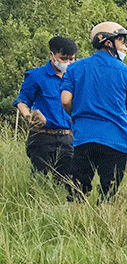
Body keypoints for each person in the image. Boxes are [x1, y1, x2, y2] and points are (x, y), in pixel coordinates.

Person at [61, 22, 127, 202]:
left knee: (77, 191)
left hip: (84, 137)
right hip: (117, 140)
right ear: (108, 42)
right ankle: (103, 225)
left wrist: (77, 113)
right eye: (122, 41)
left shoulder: (75, 67)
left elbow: (65, 100)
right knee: (108, 195)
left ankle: (74, 225)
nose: (125, 47)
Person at [12, 36, 78, 187]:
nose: (67, 63)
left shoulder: (74, 77)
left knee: (66, 182)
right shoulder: (36, 75)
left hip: (68, 137)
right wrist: (29, 116)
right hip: (43, 136)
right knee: (39, 180)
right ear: (52, 55)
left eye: (71, 59)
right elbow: (22, 101)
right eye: (63, 58)